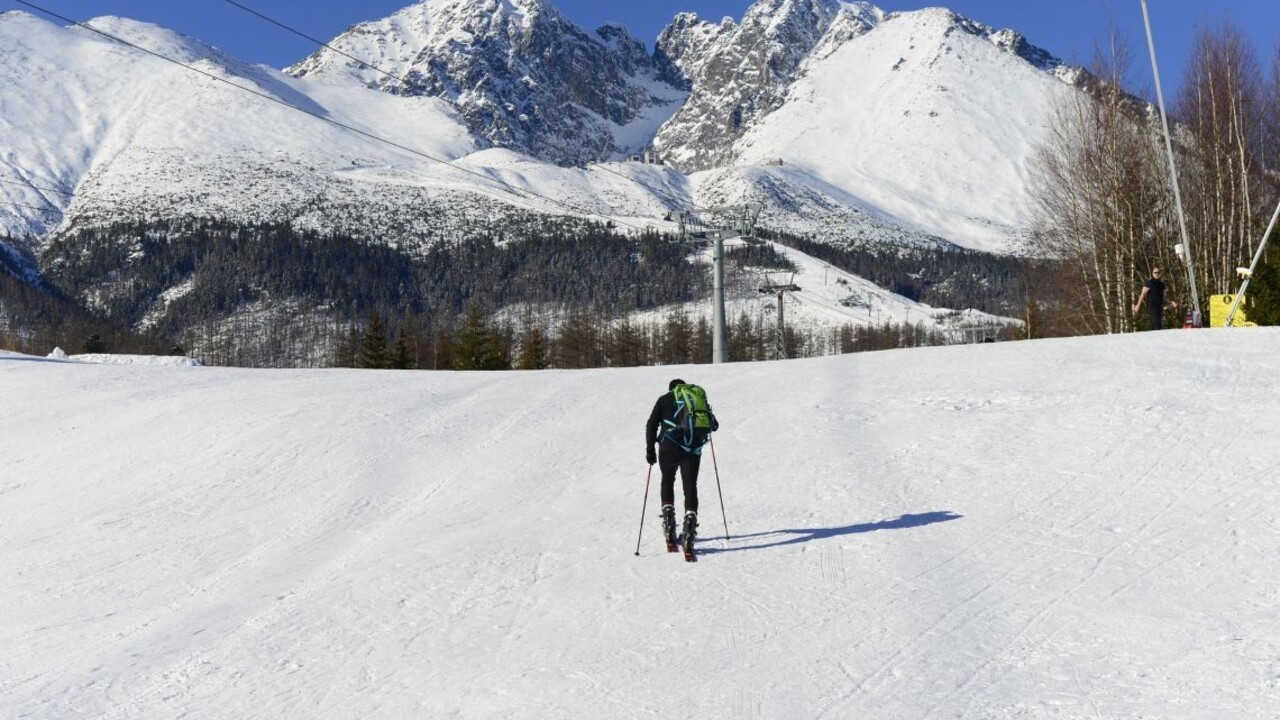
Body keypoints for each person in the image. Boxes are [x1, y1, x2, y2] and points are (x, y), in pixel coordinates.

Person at [645, 378, 711, 549]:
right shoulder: (695, 399)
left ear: (671, 389)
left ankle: (668, 520)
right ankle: (690, 525)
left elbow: (651, 424)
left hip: (668, 447)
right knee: (690, 486)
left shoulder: (664, 399)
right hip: (692, 448)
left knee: (667, 480)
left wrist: (650, 450)